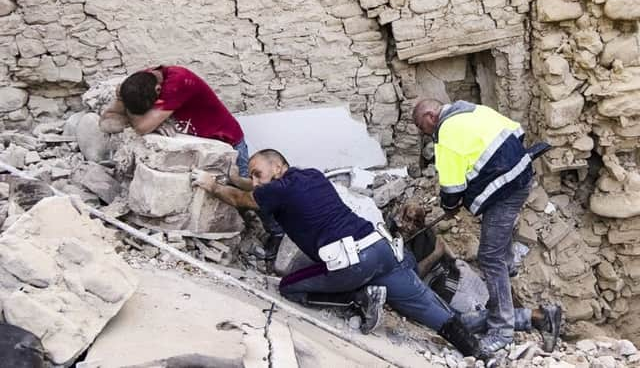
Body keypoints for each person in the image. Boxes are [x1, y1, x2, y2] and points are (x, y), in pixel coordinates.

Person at [190, 149, 483, 357]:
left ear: (278, 167)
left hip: (353, 262)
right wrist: (237, 178)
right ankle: (478, 353)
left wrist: (211, 184)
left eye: (258, 174)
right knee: (428, 309)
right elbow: (255, 190)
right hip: (381, 248)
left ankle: (359, 298)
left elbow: (242, 198)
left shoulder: (275, 190)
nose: (254, 181)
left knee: (290, 287)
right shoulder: (312, 175)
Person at [412, 98, 550, 355]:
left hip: (505, 190)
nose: (426, 134)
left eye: (424, 128)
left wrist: (450, 206)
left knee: (489, 257)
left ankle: (502, 329)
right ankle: (507, 269)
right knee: (498, 239)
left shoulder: (446, 134)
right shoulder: (472, 110)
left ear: (431, 116)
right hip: (520, 174)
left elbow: (452, 188)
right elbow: (516, 131)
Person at [99, 65, 284, 257]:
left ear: (158, 91)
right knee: (225, 199)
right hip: (197, 148)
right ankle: (241, 231)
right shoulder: (138, 84)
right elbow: (106, 122)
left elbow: (141, 127)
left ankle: (277, 233)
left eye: (151, 109)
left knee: (255, 194)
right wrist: (138, 111)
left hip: (227, 143)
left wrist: (141, 118)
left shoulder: (178, 81)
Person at [394, 202, 562, 353]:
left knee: (460, 323)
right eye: (406, 219)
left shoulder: (418, 237)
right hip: (452, 281)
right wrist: (446, 257)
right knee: (476, 315)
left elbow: (417, 272)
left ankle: (537, 316)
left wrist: (443, 256)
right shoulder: (409, 239)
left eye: (414, 221)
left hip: (454, 286)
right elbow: (434, 252)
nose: (409, 225)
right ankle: (535, 317)